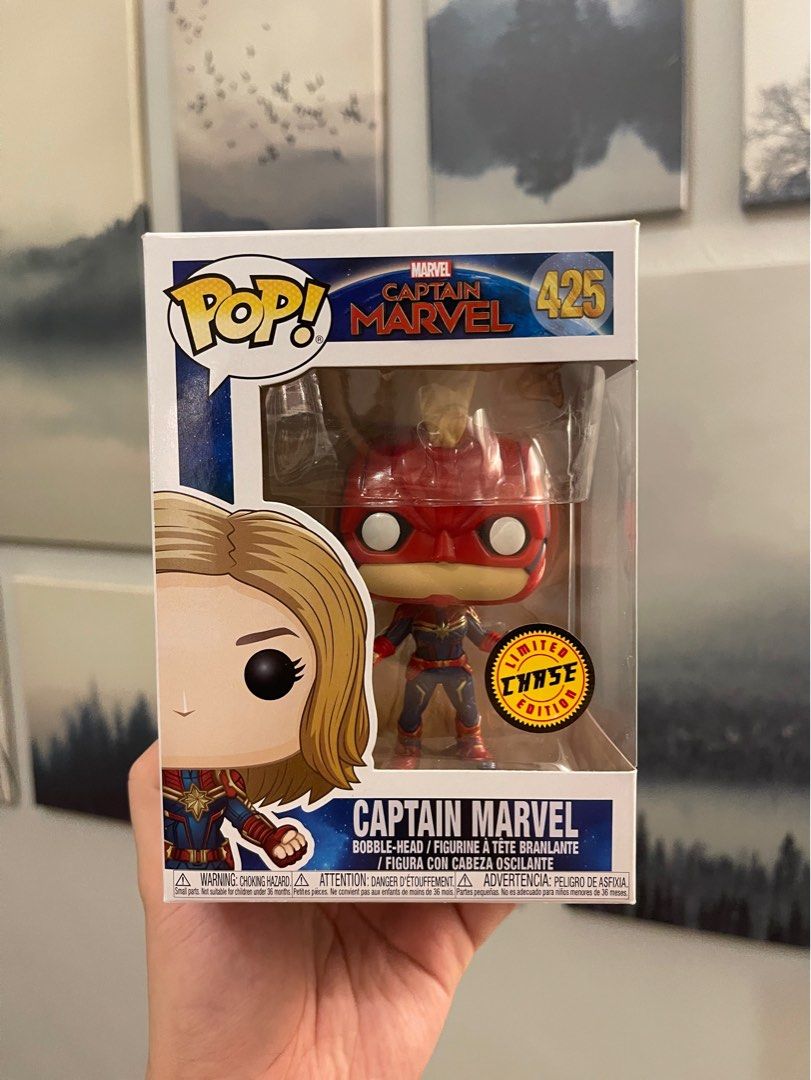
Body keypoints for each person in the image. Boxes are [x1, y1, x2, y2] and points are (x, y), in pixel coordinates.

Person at [130, 741, 514, 1078]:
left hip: (222, 867)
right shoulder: (183, 768)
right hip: (204, 879)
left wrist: (271, 836)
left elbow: (240, 814)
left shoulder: (218, 776)